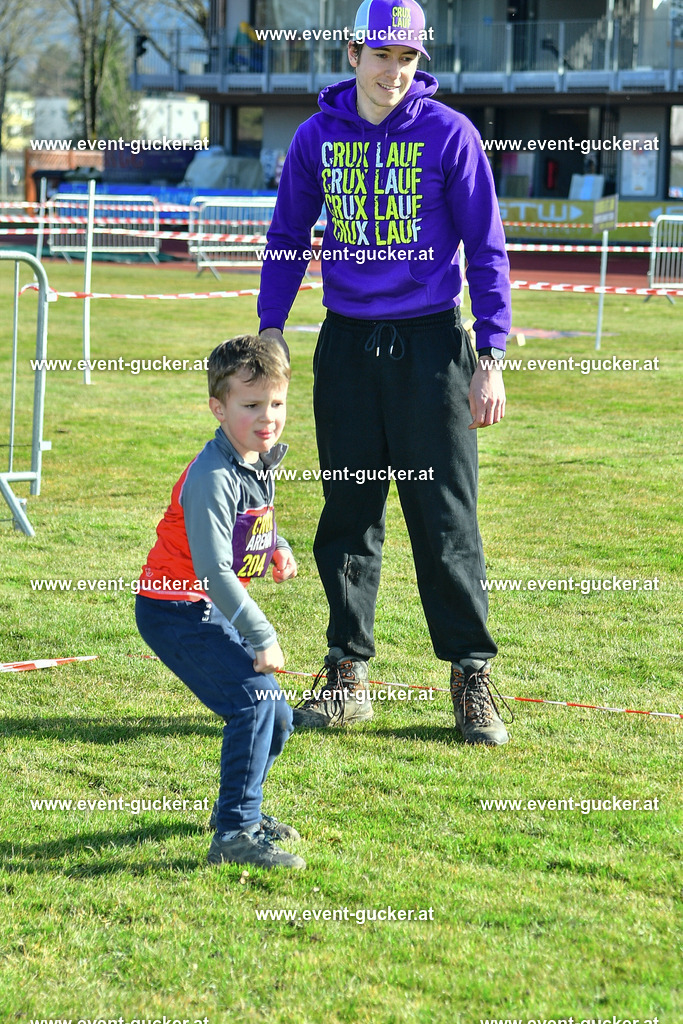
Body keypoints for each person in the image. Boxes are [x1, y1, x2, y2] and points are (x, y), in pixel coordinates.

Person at [258, 0, 512, 745]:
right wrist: (270, 329)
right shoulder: (314, 138)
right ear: (352, 55)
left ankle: (471, 677)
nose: (394, 72)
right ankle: (346, 676)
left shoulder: (450, 134)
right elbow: (285, 236)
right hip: (346, 347)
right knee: (347, 519)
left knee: (444, 521)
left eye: (407, 58)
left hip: (433, 348)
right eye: (381, 56)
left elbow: (485, 248)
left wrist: (489, 355)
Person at [135, 335, 305, 869]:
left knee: (276, 713)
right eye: (250, 405)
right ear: (218, 406)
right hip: (175, 610)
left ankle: (237, 810)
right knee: (254, 703)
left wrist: (276, 546)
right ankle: (235, 832)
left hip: (207, 606)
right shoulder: (212, 476)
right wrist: (263, 636)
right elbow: (212, 569)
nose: (267, 417)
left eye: (276, 403)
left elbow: (251, 521)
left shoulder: (257, 457)